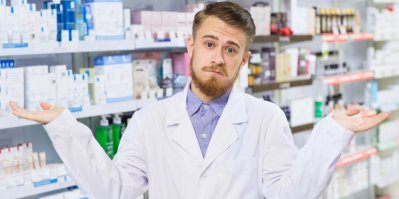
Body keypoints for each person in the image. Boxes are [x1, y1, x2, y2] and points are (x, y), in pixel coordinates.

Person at [9, 2, 389, 199]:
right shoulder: (149, 119)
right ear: (190, 46)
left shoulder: (266, 118)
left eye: (230, 49)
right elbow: (115, 190)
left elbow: (289, 195)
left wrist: (332, 134)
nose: (217, 57)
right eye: (209, 44)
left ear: (244, 60)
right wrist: (65, 129)